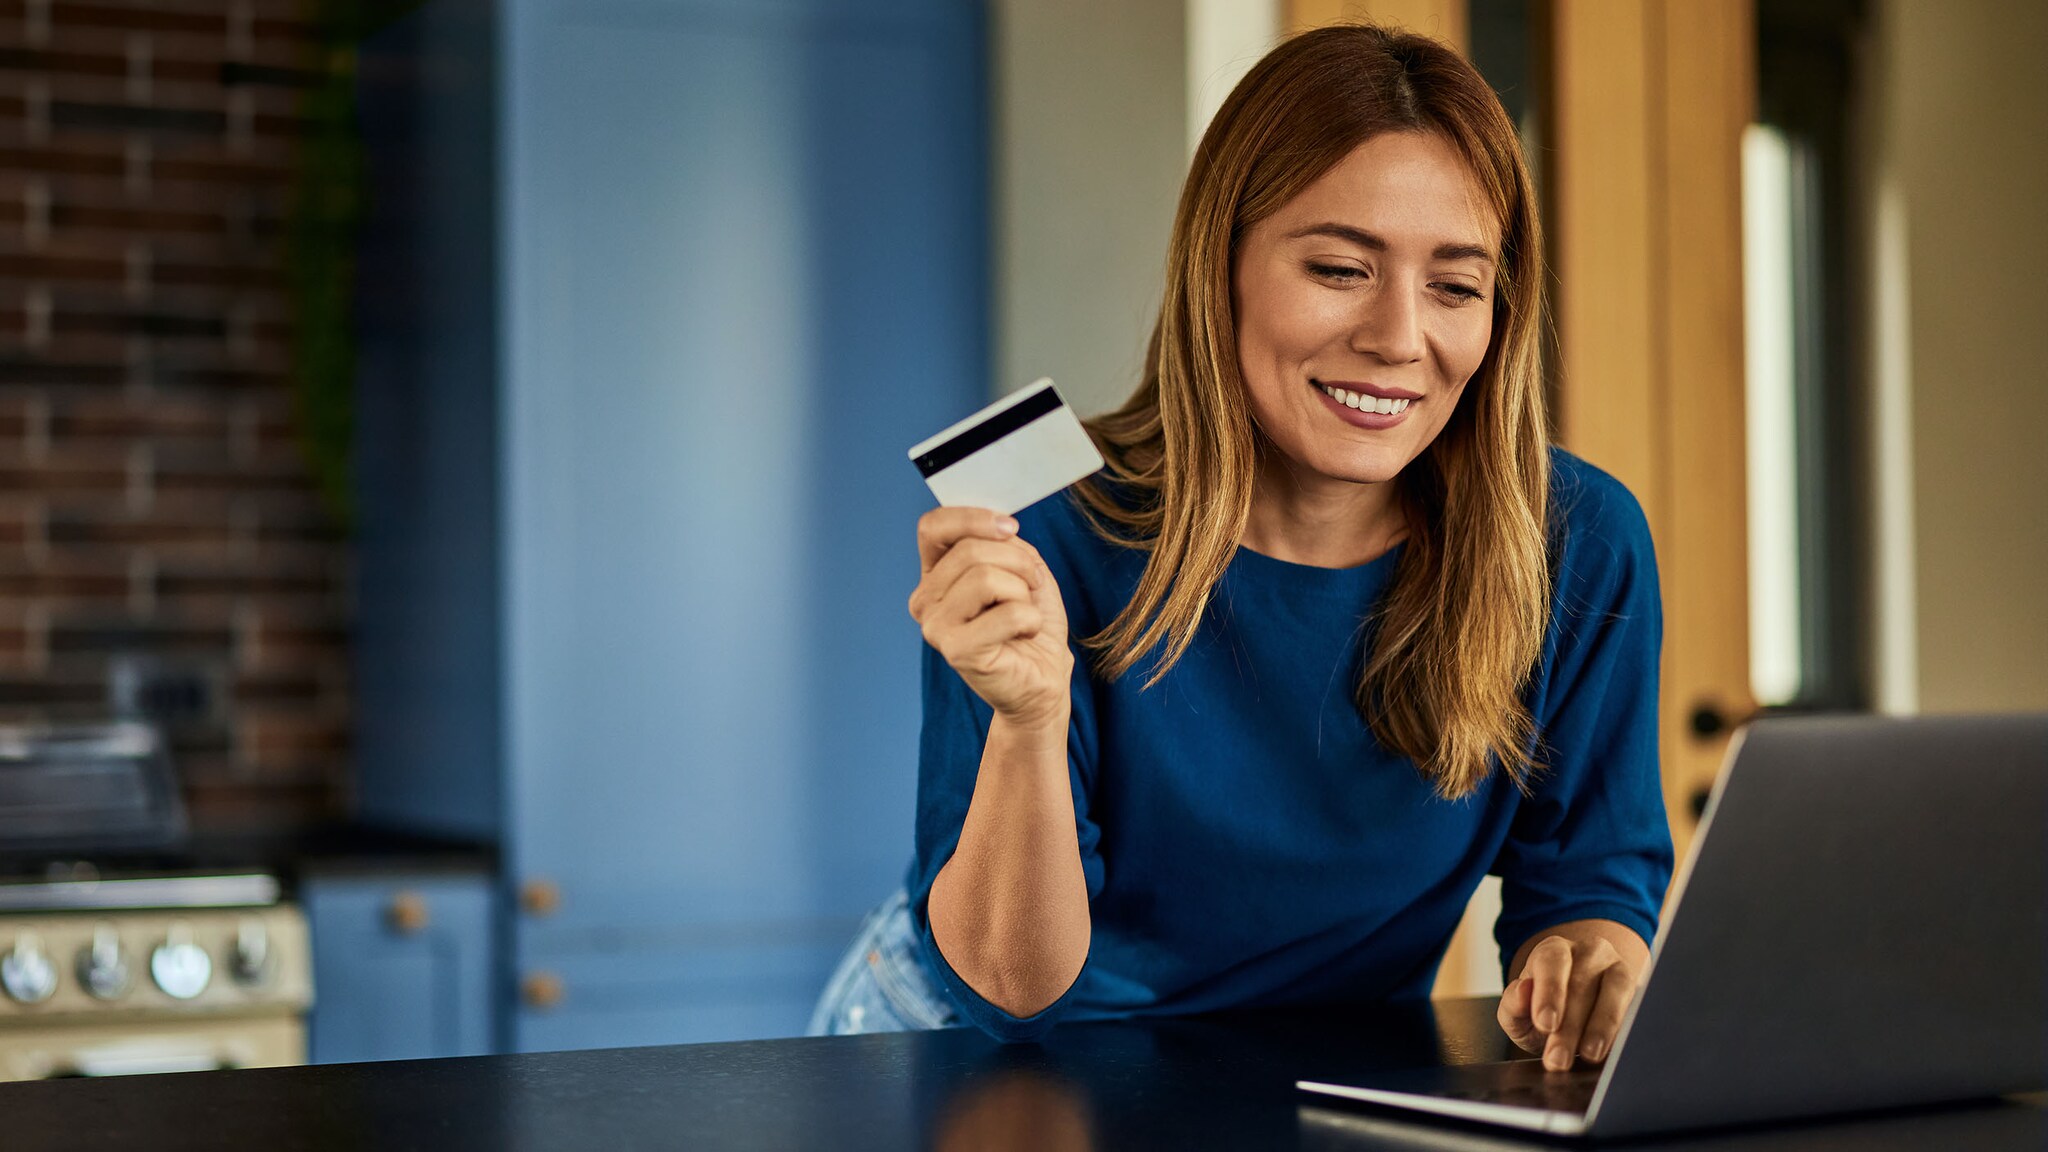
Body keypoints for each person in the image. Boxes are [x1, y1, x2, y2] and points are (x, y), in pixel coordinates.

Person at [810, 23, 1671, 1075]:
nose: (1399, 336)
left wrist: (1591, 959)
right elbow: (1011, 995)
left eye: (1453, 285)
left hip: (1307, 1072)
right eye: (1339, 268)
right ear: (1220, 270)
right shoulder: (1038, 531)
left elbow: (1587, 882)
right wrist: (1028, 719)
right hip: (983, 1058)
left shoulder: (1575, 544)